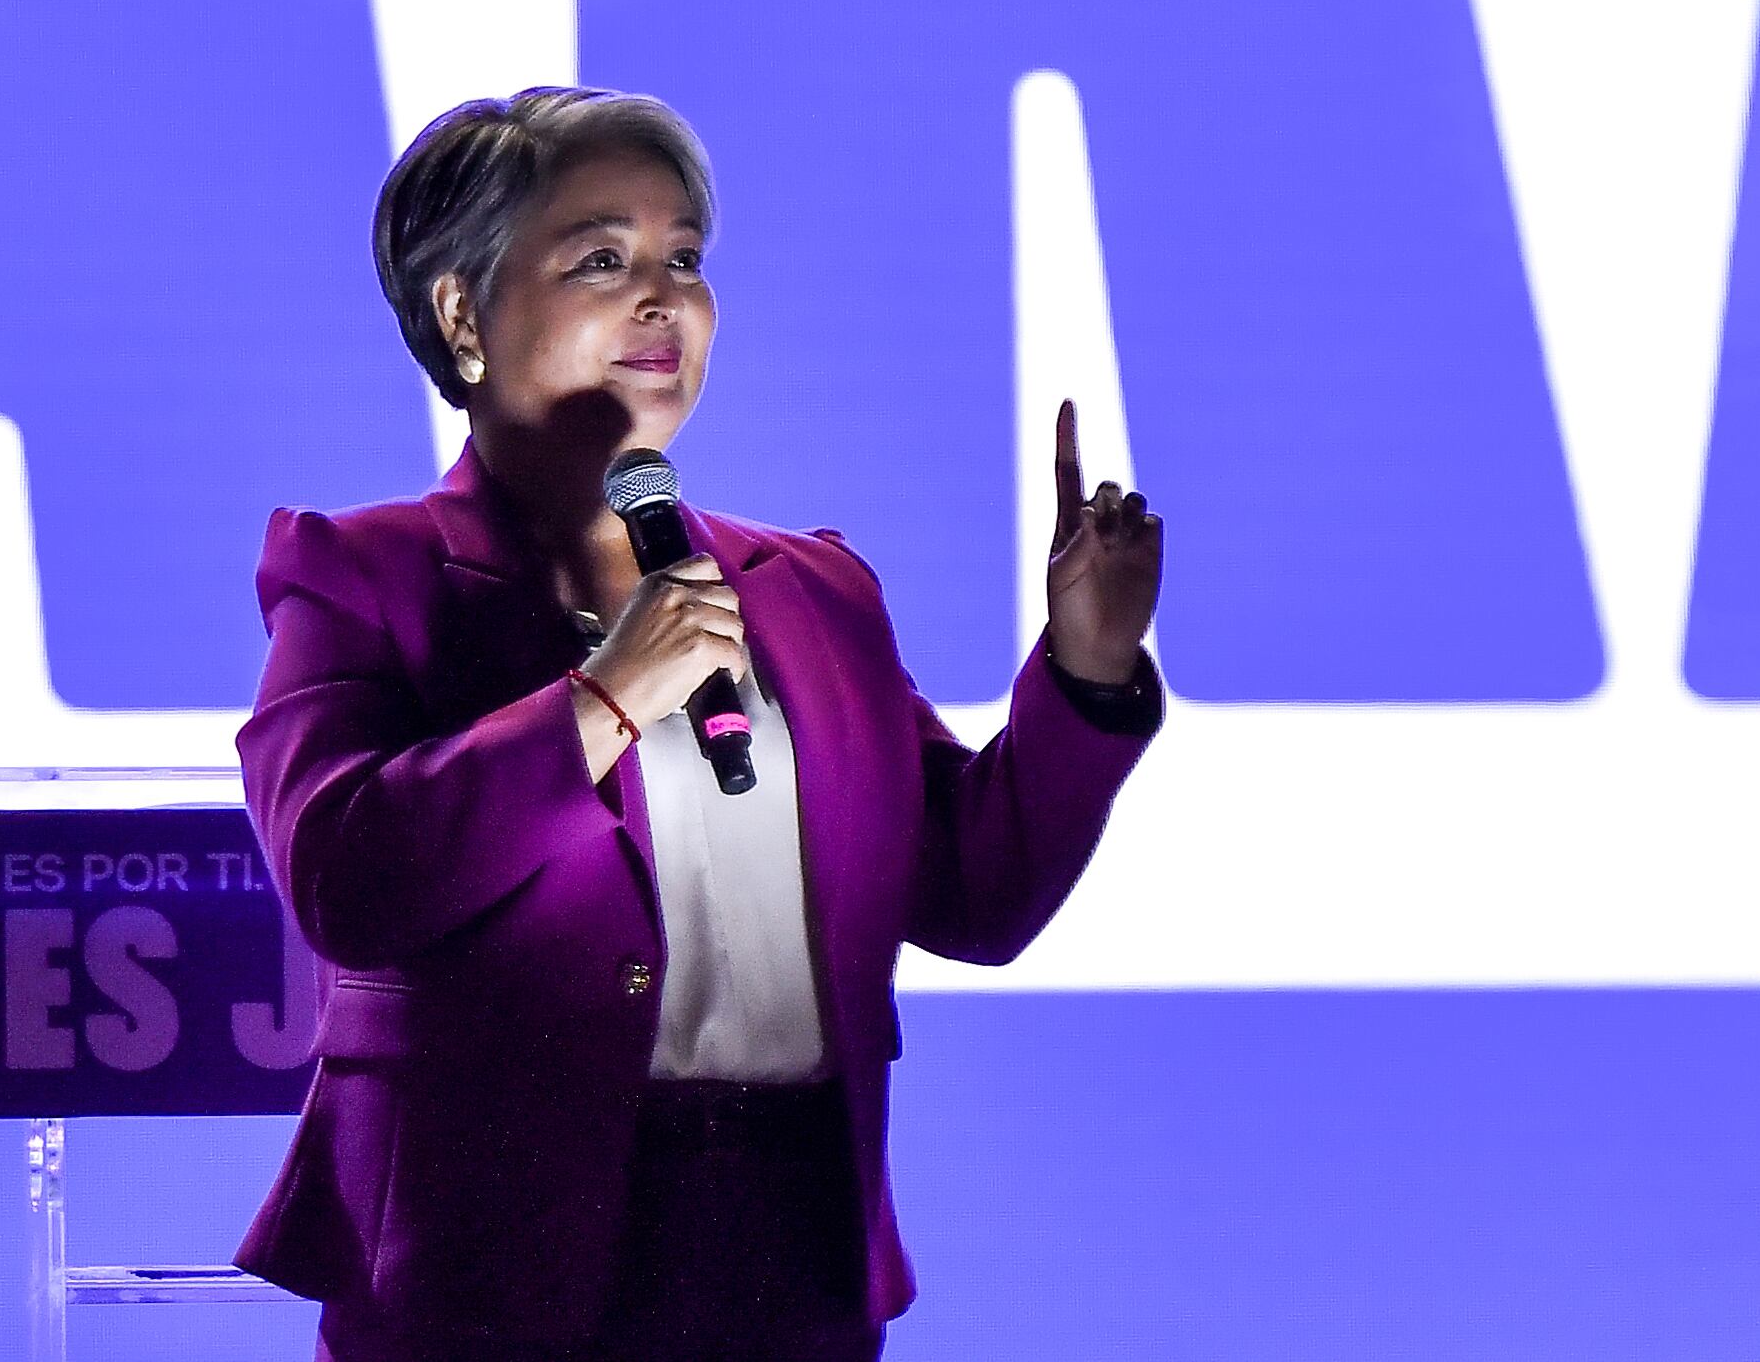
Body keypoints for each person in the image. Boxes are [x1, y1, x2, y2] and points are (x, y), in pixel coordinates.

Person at [237, 88, 1166, 1362]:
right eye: (600, 259)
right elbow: (348, 878)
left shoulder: (815, 591)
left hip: (788, 1249)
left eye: (684, 259)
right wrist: (603, 701)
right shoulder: (367, 573)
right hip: (495, 1267)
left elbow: (976, 894)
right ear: (461, 313)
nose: (661, 298)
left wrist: (1088, 668)